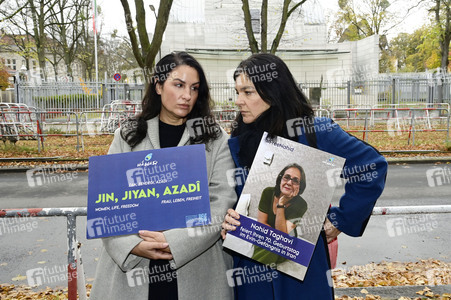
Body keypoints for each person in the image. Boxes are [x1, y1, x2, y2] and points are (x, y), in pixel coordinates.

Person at [221, 53, 388, 299]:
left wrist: (341, 219)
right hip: (251, 269)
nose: (238, 101)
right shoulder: (237, 140)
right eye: (237, 92)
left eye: (247, 93)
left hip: (302, 270)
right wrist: (228, 220)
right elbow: (230, 198)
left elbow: (371, 166)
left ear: (273, 92)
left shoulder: (315, 131)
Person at [90, 52, 236, 300]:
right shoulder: (127, 135)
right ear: (158, 86)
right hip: (133, 270)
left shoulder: (215, 138)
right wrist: (131, 245)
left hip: (197, 269)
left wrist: (175, 241)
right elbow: (107, 205)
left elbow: (222, 201)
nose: (187, 95)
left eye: (194, 88)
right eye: (178, 85)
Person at [252, 163, 308, 265]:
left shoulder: (301, 204)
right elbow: (261, 223)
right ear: (280, 179)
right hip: (266, 233)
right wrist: (271, 238)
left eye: (295, 181)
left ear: (300, 186)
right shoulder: (268, 192)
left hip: (286, 241)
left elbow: (282, 235)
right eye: (286, 177)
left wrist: (281, 203)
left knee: (276, 245)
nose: (289, 182)